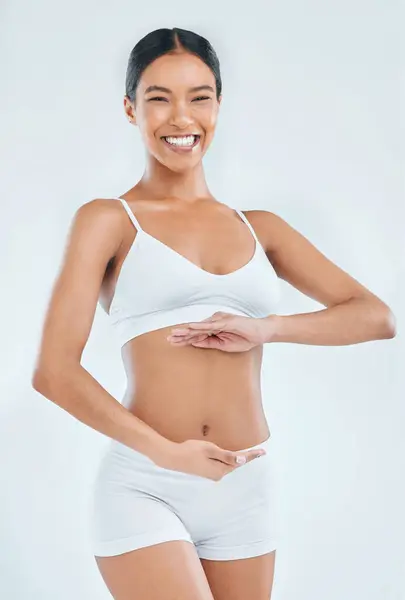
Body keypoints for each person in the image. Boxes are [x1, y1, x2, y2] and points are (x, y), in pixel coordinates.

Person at [31, 26, 396, 600]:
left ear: (219, 105)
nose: (182, 118)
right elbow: (53, 371)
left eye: (199, 97)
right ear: (131, 109)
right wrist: (166, 453)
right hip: (147, 484)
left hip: (247, 488)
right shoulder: (108, 220)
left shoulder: (261, 227)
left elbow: (375, 316)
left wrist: (265, 328)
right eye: (159, 98)